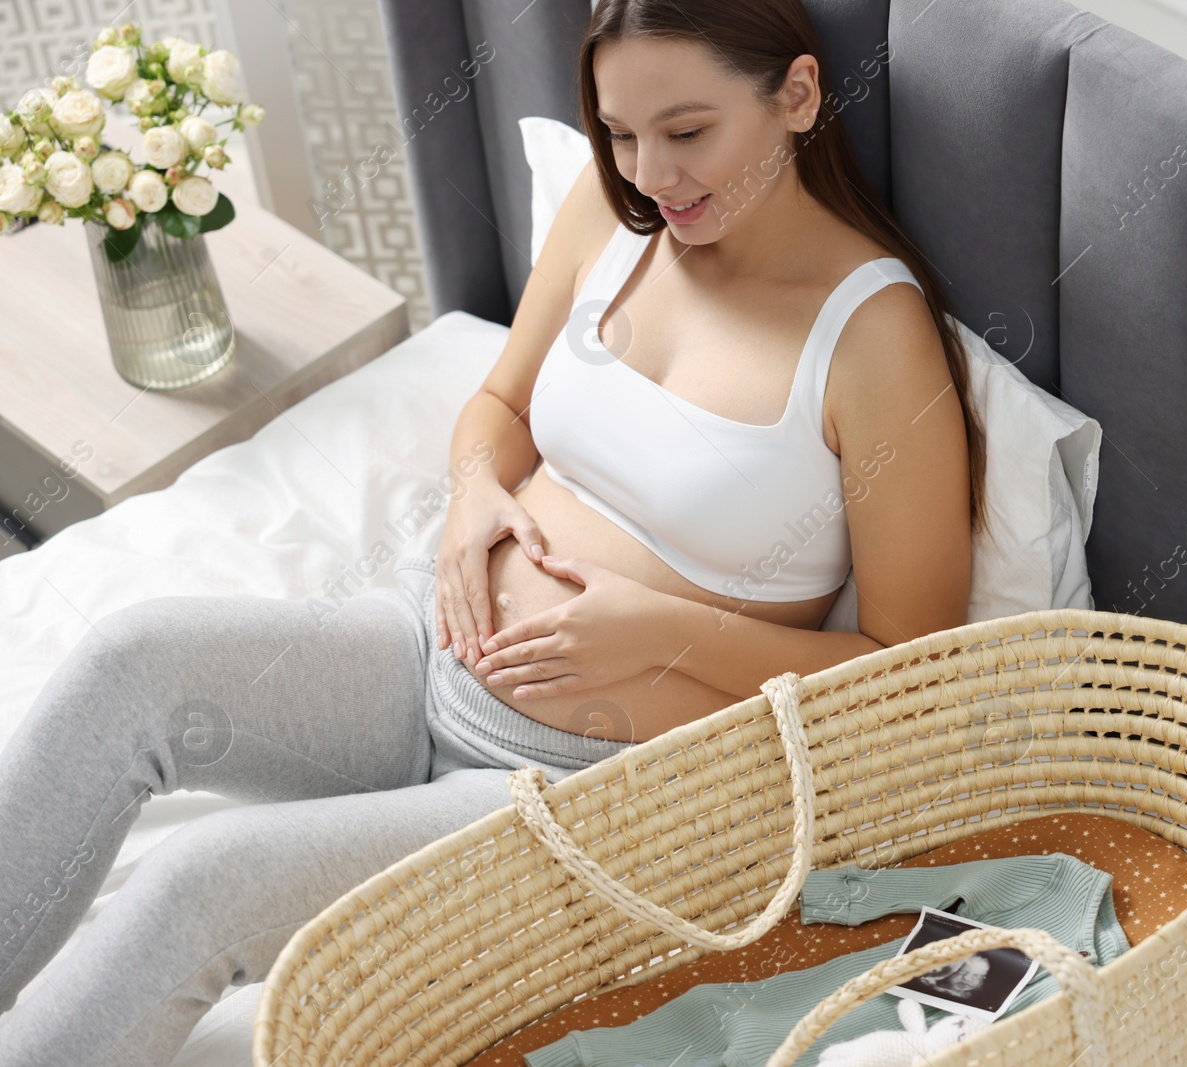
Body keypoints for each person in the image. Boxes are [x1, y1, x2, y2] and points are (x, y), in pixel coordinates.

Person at [0, 1, 987, 1062]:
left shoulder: (871, 337)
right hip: (427, 652)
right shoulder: (614, 218)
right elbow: (500, 408)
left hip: (582, 785)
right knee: (128, 661)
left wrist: (663, 633)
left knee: (197, 888)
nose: (650, 170)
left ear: (795, 95)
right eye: (617, 132)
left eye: (688, 131)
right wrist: (474, 491)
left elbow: (902, 685)